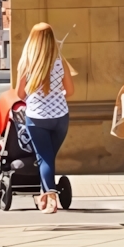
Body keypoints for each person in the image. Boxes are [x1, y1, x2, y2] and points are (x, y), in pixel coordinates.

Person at [15, 22, 76, 213]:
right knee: (48, 158)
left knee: (44, 159)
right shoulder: (61, 60)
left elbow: (19, 94)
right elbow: (71, 90)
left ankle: (50, 198)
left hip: (37, 118)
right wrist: (56, 95)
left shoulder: (27, 62)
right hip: (60, 118)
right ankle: (44, 194)